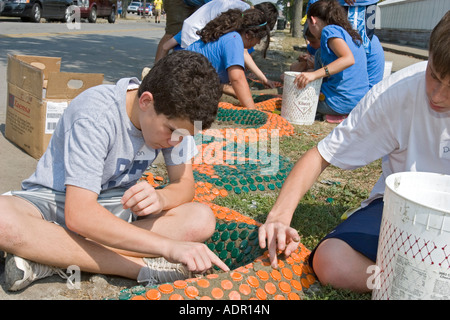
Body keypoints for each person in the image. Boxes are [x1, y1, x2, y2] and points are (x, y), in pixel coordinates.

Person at [0, 50, 229, 292]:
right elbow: (79, 215)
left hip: (114, 209)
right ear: (146, 101)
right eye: (170, 131)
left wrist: (162, 198)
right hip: (54, 203)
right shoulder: (97, 114)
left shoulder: (178, 123)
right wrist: (167, 247)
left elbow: (184, 185)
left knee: (200, 219)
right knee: (3, 220)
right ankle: (140, 268)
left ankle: (52, 255)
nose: (175, 142)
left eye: (184, 136)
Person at [258, 11, 450, 293]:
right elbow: (321, 155)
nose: (436, 96)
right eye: (433, 76)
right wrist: (278, 217)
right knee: (332, 262)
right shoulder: (397, 93)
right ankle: (419, 283)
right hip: (401, 210)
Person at [154, 1, 278, 90]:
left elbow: (166, 46)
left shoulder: (235, 15)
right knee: (200, 77)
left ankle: (157, 77)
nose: (258, 42)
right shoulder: (236, 28)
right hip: (193, 43)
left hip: (189, 38)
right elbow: (242, 56)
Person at [294, 0, 369, 122]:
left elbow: (348, 59)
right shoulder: (347, 33)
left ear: (313, 20)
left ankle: (336, 114)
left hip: (340, 103)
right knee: (319, 53)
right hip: (359, 102)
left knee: (296, 100)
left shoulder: (329, 31)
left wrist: (314, 74)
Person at [183, 8, 272, 109]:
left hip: (183, 77)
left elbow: (209, 80)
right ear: (249, 35)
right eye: (259, 38)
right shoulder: (234, 40)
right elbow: (237, 79)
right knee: (198, 119)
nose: (258, 43)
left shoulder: (230, 36)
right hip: (182, 84)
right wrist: (252, 110)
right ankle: (196, 124)